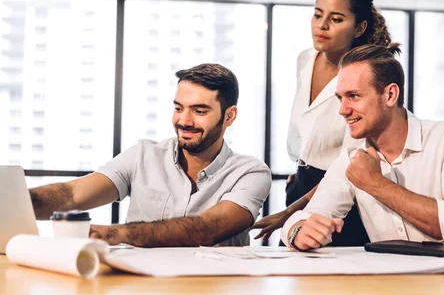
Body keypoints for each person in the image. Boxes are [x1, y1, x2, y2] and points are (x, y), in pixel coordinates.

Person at [30, 64, 271, 247]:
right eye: (178, 108)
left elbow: (207, 228)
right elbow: (72, 194)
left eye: (199, 111)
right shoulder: (144, 155)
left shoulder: (250, 172)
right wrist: (22, 202)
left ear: (229, 116)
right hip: (139, 290)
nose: (184, 121)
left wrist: (108, 234)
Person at [281, 44, 444, 250]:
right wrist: (299, 231)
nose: (342, 110)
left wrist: (376, 184)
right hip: (386, 281)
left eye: (353, 96)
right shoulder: (352, 158)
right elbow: (308, 216)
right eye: (340, 98)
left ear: (390, 95)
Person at [252, 0, 393, 246]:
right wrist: (302, 167)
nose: (322, 25)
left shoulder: (365, 77)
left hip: (341, 195)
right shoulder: (305, 59)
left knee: (327, 279)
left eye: (336, 19)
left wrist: (289, 213)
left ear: (360, 27)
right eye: (318, 14)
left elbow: (349, 165)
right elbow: (307, 121)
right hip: (302, 184)